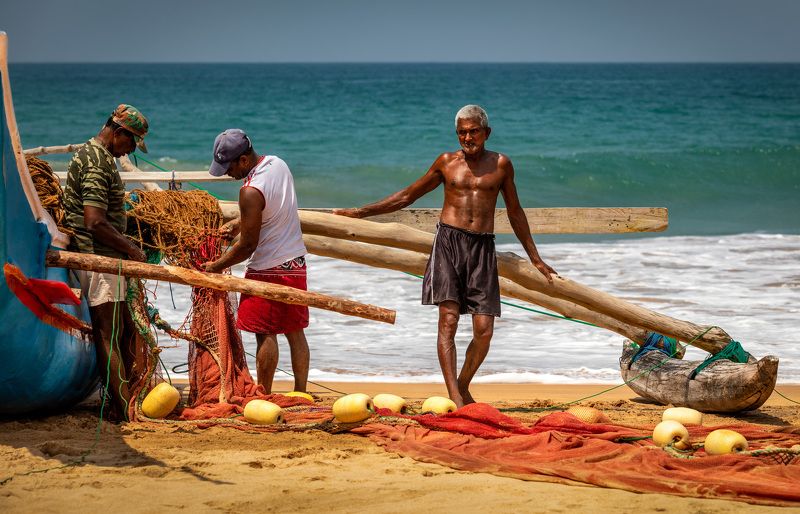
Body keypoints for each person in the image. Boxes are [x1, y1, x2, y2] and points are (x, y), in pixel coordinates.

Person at [334, 105, 556, 407]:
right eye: (462, 132)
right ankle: (455, 397)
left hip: (482, 248)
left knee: (484, 330)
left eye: (473, 131)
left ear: (486, 133)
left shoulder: (501, 165)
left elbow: (515, 212)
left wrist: (535, 257)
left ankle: (462, 385)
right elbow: (406, 196)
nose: (467, 137)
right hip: (449, 244)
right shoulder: (446, 162)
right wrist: (360, 212)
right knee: (448, 321)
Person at [201, 129, 310, 394]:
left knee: (265, 332)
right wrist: (239, 223)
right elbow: (272, 208)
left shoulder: (249, 191)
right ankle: (300, 392)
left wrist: (215, 267)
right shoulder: (278, 164)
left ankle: (264, 394)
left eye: (229, 167)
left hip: (267, 268)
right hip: (295, 263)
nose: (228, 173)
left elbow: (247, 247)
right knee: (294, 331)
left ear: (244, 160)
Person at [62, 104, 149, 419]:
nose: (129, 151)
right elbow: (94, 221)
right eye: (131, 143)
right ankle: (123, 408)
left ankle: (125, 398)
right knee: (108, 331)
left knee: (123, 328)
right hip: (99, 258)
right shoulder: (98, 162)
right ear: (119, 132)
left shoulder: (91, 154)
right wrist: (132, 249)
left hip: (107, 257)